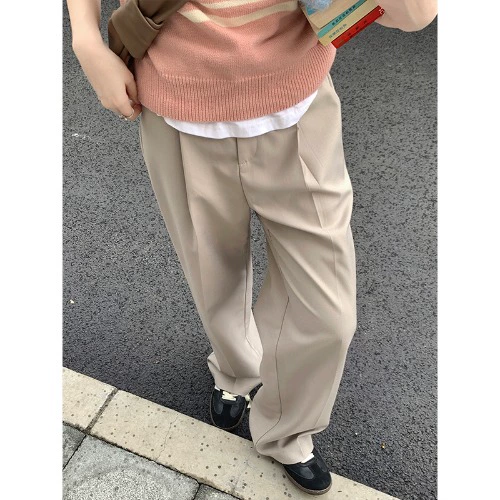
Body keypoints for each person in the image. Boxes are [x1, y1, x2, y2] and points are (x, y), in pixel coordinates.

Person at [66, 0, 437, 495]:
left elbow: (411, 16)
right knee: (211, 272)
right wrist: (86, 40)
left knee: (328, 312)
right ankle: (236, 368)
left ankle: (287, 429)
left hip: (297, 107)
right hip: (178, 108)